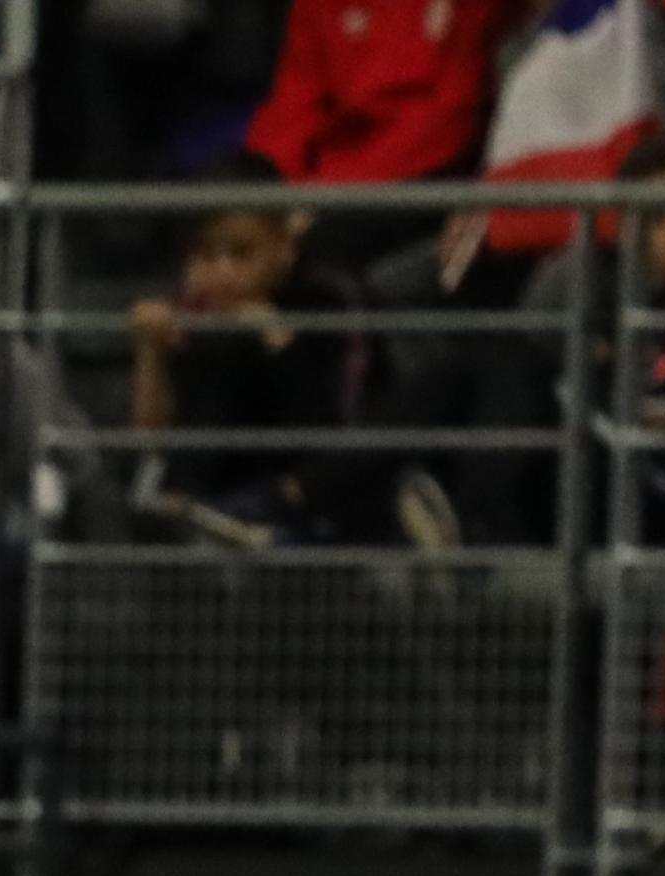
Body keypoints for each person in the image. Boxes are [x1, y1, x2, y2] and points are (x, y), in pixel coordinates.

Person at [127, 193, 385, 546]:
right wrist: (150, 352)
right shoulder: (187, 316)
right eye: (206, 256)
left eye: (241, 254)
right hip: (199, 504)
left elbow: (327, 434)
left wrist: (277, 339)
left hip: (294, 503)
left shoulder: (324, 301)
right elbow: (150, 440)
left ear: (283, 249)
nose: (223, 272)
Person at [247, 0, 518, 186]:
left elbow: (451, 117)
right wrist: (262, 188)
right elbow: (293, 105)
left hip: (429, 179)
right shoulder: (320, 6)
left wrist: (333, 191)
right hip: (334, 178)